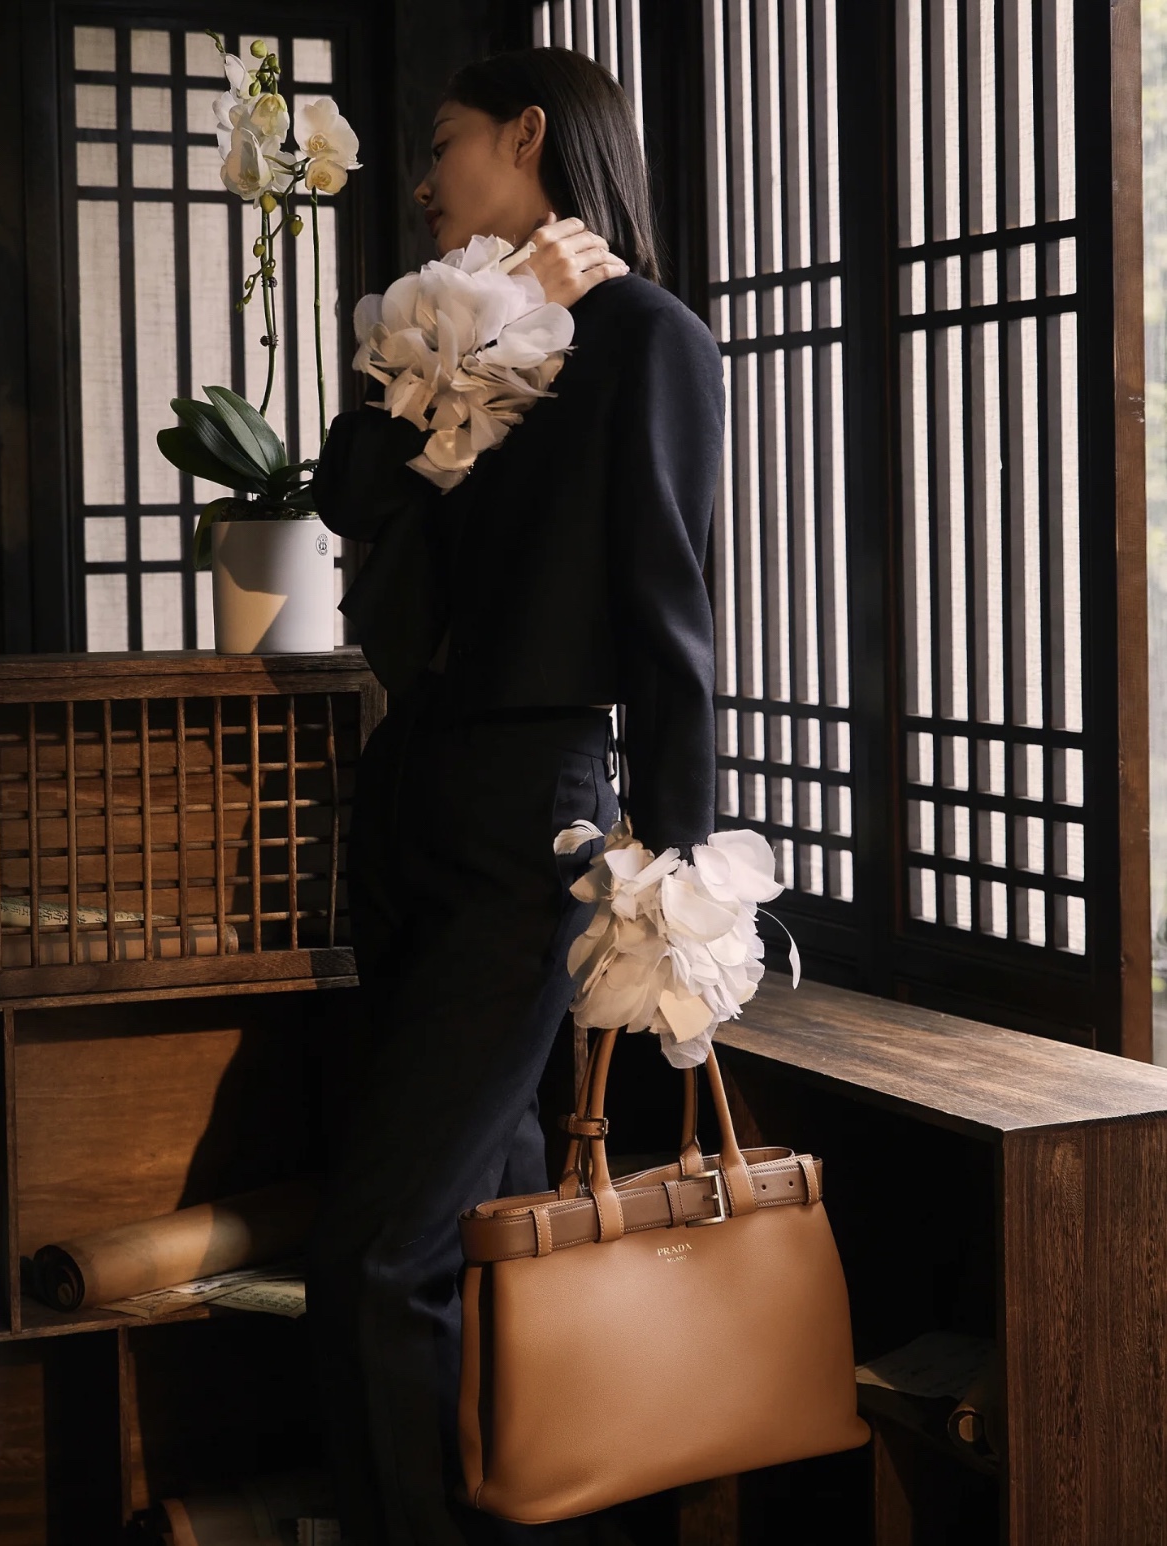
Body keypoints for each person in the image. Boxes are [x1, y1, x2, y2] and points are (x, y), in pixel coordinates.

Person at [304, 44, 726, 1546]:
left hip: (529, 821)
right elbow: (348, 488)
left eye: (445, 142)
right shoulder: (450, 324)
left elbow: (671, 617)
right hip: (408, 802)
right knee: (492, 1227)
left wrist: (676, 879)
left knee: (375, 1251)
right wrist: (497, 312)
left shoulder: (651, 340)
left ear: (529, 134)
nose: (423, 179)